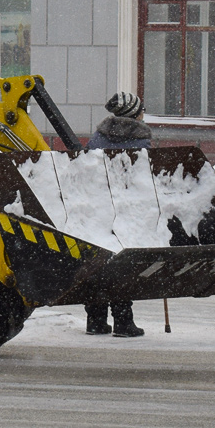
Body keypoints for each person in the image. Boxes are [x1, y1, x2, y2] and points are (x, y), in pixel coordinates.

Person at [85, 91, 151, 338]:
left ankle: (95, 320)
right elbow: (143, 178)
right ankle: (123, 322)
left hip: (97, 208)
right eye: (141, 110)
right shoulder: (141, 140)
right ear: (134, 113)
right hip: (126, 210)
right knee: (123, 266)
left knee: (97, 263)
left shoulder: (98, 137)